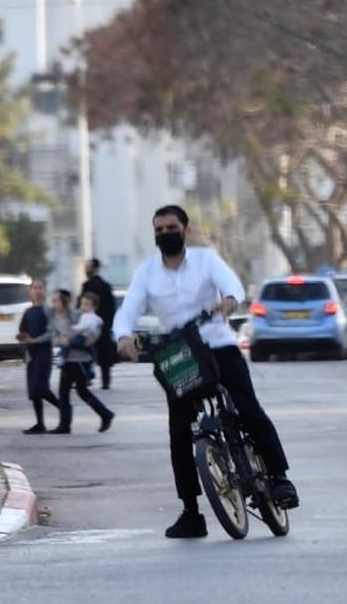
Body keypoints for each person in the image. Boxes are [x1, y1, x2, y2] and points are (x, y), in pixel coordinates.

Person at [114, 204, 298, 539]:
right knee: (178, 433)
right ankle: (191, 511)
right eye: (159, 230)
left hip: (218, 345)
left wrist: (228, 302)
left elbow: (233, 287)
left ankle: (280, 477)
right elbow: (127, 311)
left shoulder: (206, 260)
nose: (165, 234)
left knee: (249, 409)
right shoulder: (146, 273)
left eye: (171, 228)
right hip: (180, 354)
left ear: (185, 230)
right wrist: (123, 336)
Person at [51, 290, 114, 434]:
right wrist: (60, 341)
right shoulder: (58, 318)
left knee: (82, 391)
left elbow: (90, 339)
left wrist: (69, 341)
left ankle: (106, 414)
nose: (54, 304)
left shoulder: (79, 316)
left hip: (80, 360)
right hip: (67, 359)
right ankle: (64, 425)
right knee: (63, 393)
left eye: (57, 301)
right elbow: (55, 337)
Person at [16, 278, 61, 435]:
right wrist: (22, 337)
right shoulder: (28, 311)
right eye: (34, 288)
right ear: (30, 290)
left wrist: (35, 340)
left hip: (44, 354)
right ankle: (40, 423)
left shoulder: (48, 310)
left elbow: (51, 332)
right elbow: (22, 329)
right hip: (31, 355)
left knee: (41, 388)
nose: (37, 290)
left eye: (40, 287)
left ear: (45, 290)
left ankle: (63, 408)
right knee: (34, 391)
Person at [81, 258, 117, 390]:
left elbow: (81, 305)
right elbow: (112, 307)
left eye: (88, 267)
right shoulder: (106, 286)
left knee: (86, 351)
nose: (86, 270)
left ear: (93, 268)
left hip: (88, 326)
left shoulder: (87, 285)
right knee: (104, 355)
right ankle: (106, 381)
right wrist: (109, 324)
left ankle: (85, 378)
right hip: (104, 325)